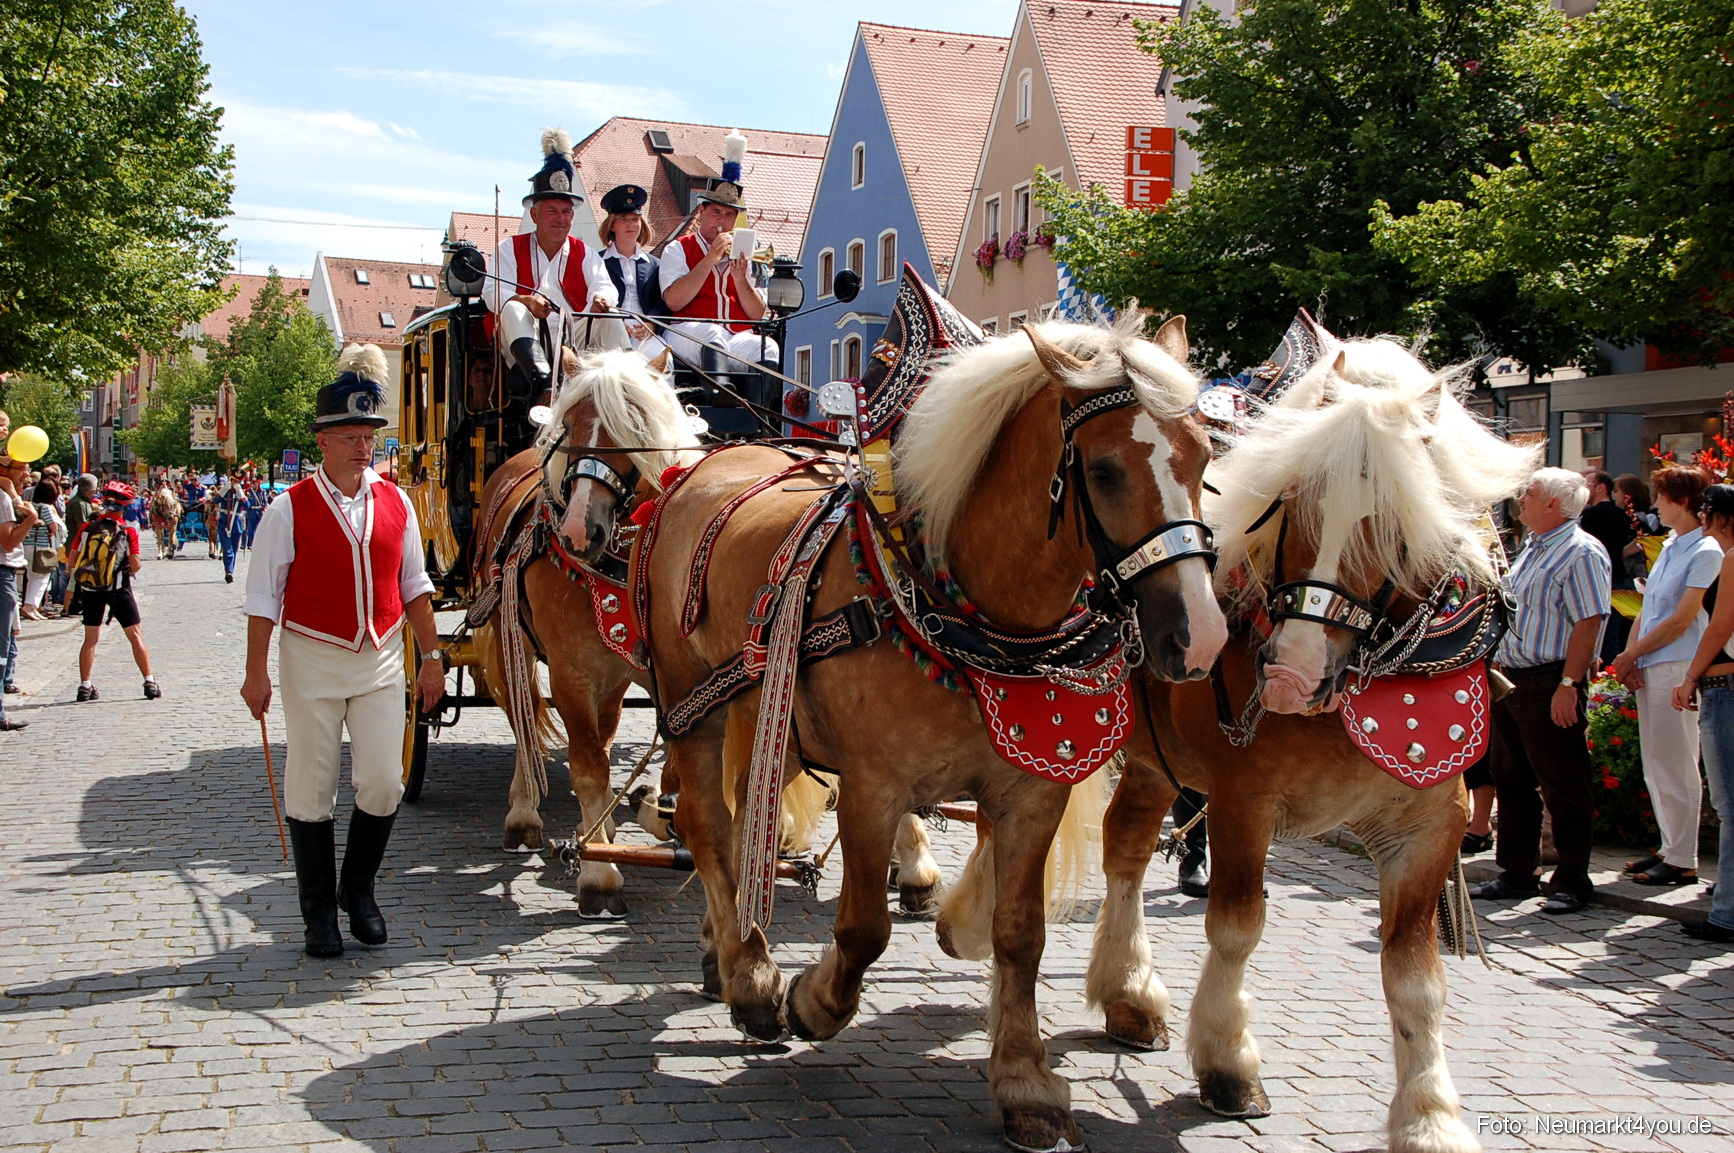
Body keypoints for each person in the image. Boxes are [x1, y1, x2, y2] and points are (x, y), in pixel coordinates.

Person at [241, 343, 445, 958]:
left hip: (381, 654)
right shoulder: (288, 508)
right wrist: (256, 673)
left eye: (370, 435)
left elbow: (415, 584)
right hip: (312, 656)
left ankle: (359, 891)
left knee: (384, 780)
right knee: (311, 783)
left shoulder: (397, 502)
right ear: (322, 441)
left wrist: (431, 658)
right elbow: (262, 597)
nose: (364, 447)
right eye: (350, 435)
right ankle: (317, 915)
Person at [1471, 468, 1610, 915]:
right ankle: (1516, 873)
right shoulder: (1532, 548)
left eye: (1530, 493)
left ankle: (1572, 880)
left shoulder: (1581, 551)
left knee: (1562, 782)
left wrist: (1569, 685)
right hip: (1512, 678)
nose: (1521, 498)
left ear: (1555, 504)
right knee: (1511, 779)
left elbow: (1590, 621)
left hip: (1550, 678)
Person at [1612, 465, 1720, 886]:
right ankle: (1668, 845)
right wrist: (1629, 656)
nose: (1655, 505)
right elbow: (1649, 609)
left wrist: (1632, 654)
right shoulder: (1674, 545)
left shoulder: (1705, 550)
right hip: (1655, 659)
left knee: (1677, 760)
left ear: (1685, 502)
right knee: (1656, 761)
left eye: (1663, 497)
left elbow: (1681, 619)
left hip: (1678, 661)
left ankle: (1682, 856)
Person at [485, 130, 620, 398]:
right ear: (534, 214)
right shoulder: (509, 248)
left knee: (612, 314)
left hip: (574, 338)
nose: (561, 218)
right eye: (552, 211)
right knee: (512, 308)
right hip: (525, 339)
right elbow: (492, 294)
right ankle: (544, 385)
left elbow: (606, 287)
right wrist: (527, 302)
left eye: (566, 212)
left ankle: (626, 383)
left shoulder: (585, 252)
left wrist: (601, 299)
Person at [1670, 484, 1734, 942]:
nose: (1703, 515)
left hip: (1725, 684)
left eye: (1708, 510)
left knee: (1729, 806)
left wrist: (1691, 676)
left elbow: (1718, 627)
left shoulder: (1731, 558)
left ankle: (1727, 913)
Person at [659, 134, 776, 373]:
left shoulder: (747, 251)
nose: (721, 221)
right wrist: (710, 258)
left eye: (729, 215)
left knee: (768, 347)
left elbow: (756, 315)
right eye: (715, 212)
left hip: (735, 335)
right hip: (687, 332)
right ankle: (717, 398)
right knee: (712, 332)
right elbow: (673, 300)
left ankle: (756, 410)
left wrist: (741, 279)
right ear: (701, 211)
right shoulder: (678, 248)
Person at [64, 480, 160, 702]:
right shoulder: (126, 531)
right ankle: (149, 682)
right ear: (124, 508)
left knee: (90, 639)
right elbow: (135, 565)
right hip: (118, 589)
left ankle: (84, 686)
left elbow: (72, 560)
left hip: (90, 589)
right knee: (135, 635)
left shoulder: (87, 528)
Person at [596, 183, 670, 360]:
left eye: (635, 219)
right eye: (623, 219)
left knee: (663, 360)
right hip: (609, 336)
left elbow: (662, 304)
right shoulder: (596, 261)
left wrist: (651, 325)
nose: (631, 224)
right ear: (612, 225)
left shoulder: (655, 265)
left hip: (645, 336)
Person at [1581, 469, 1638, 661]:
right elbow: (1641, 537)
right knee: (1617, 637)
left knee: (1602, 639)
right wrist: (1622, 552)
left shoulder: (1590, 516)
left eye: (1587, 485)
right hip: (1622, 579)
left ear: (1600, 488)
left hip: (1602, 582)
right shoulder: (1622, 515)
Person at [0, 452, 36, 728]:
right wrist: (30, 518)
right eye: (22, 468)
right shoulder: (2, 499)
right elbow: (9, 542)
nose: (27, 474)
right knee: (2, 647)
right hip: (3, 574)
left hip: (8, 575)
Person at [19, 477, 64, 620]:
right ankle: (30, 606)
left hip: (26, 545)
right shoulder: (45, 508)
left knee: (32, 576)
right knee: (42, 577)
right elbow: (53, 526)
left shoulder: (29, 505)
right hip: (41, 546)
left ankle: (32, 606)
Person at [213, 477, 248, 583]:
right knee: (228, 549)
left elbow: (247, 506)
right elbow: (216, 500)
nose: (235, 483)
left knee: (234, 548)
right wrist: (223, 490)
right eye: (234, 481)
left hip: (236, 523)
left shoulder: (240, 493)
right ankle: (228, 572)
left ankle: (230, 571)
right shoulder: (225, 491)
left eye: (238, 481)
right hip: (224, 522)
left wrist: (241, 494)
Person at [150, 480, 181, 560]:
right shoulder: (158, 493)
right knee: (152, 507)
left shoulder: (171, 492)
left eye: (165, 483)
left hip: (170, 508)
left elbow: (174, 499)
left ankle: (170, 548)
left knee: (177, 505)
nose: (163, 484)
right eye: (162, 483)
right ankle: (160, 549)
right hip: (160, 509)